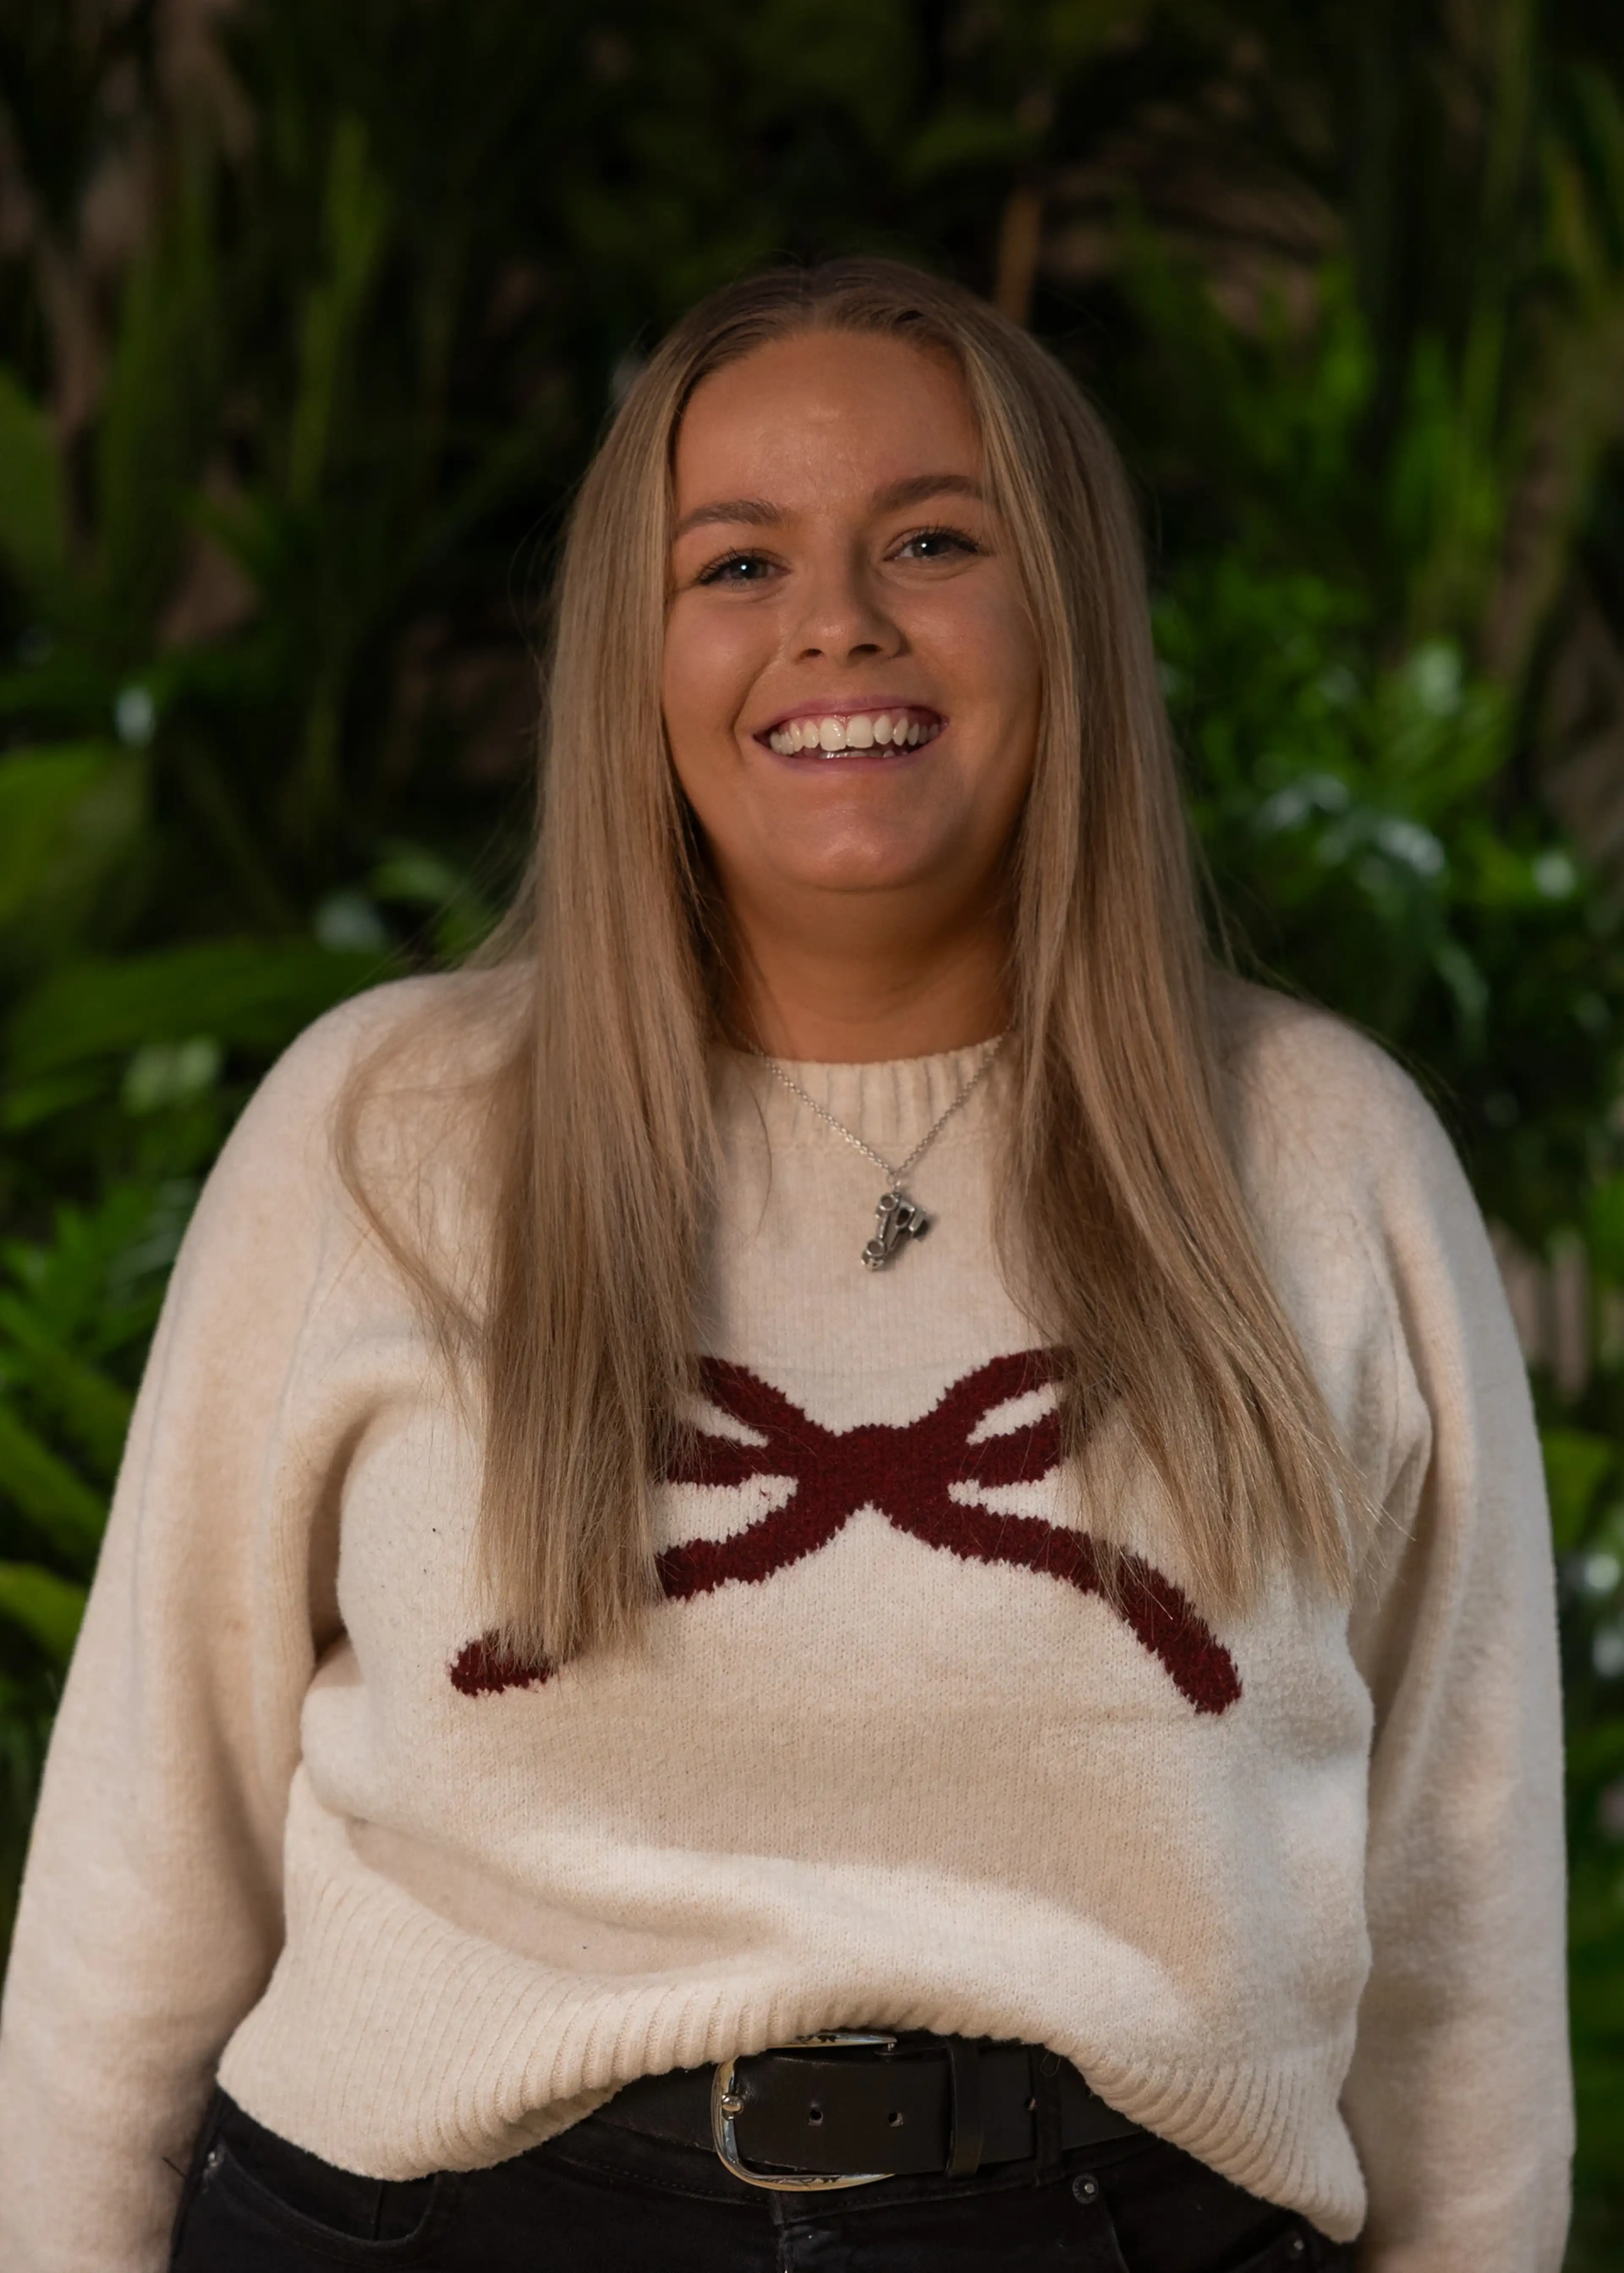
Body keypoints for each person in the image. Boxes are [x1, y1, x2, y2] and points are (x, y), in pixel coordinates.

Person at [0, 258, 1569, 2273]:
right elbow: (140, 1877)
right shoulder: (383, 1132)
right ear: (631, 655)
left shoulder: (1321, 1156)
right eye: (734, 560)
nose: (837, 620)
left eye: (932, 538)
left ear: (1067, 613)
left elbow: (1463, 1950)